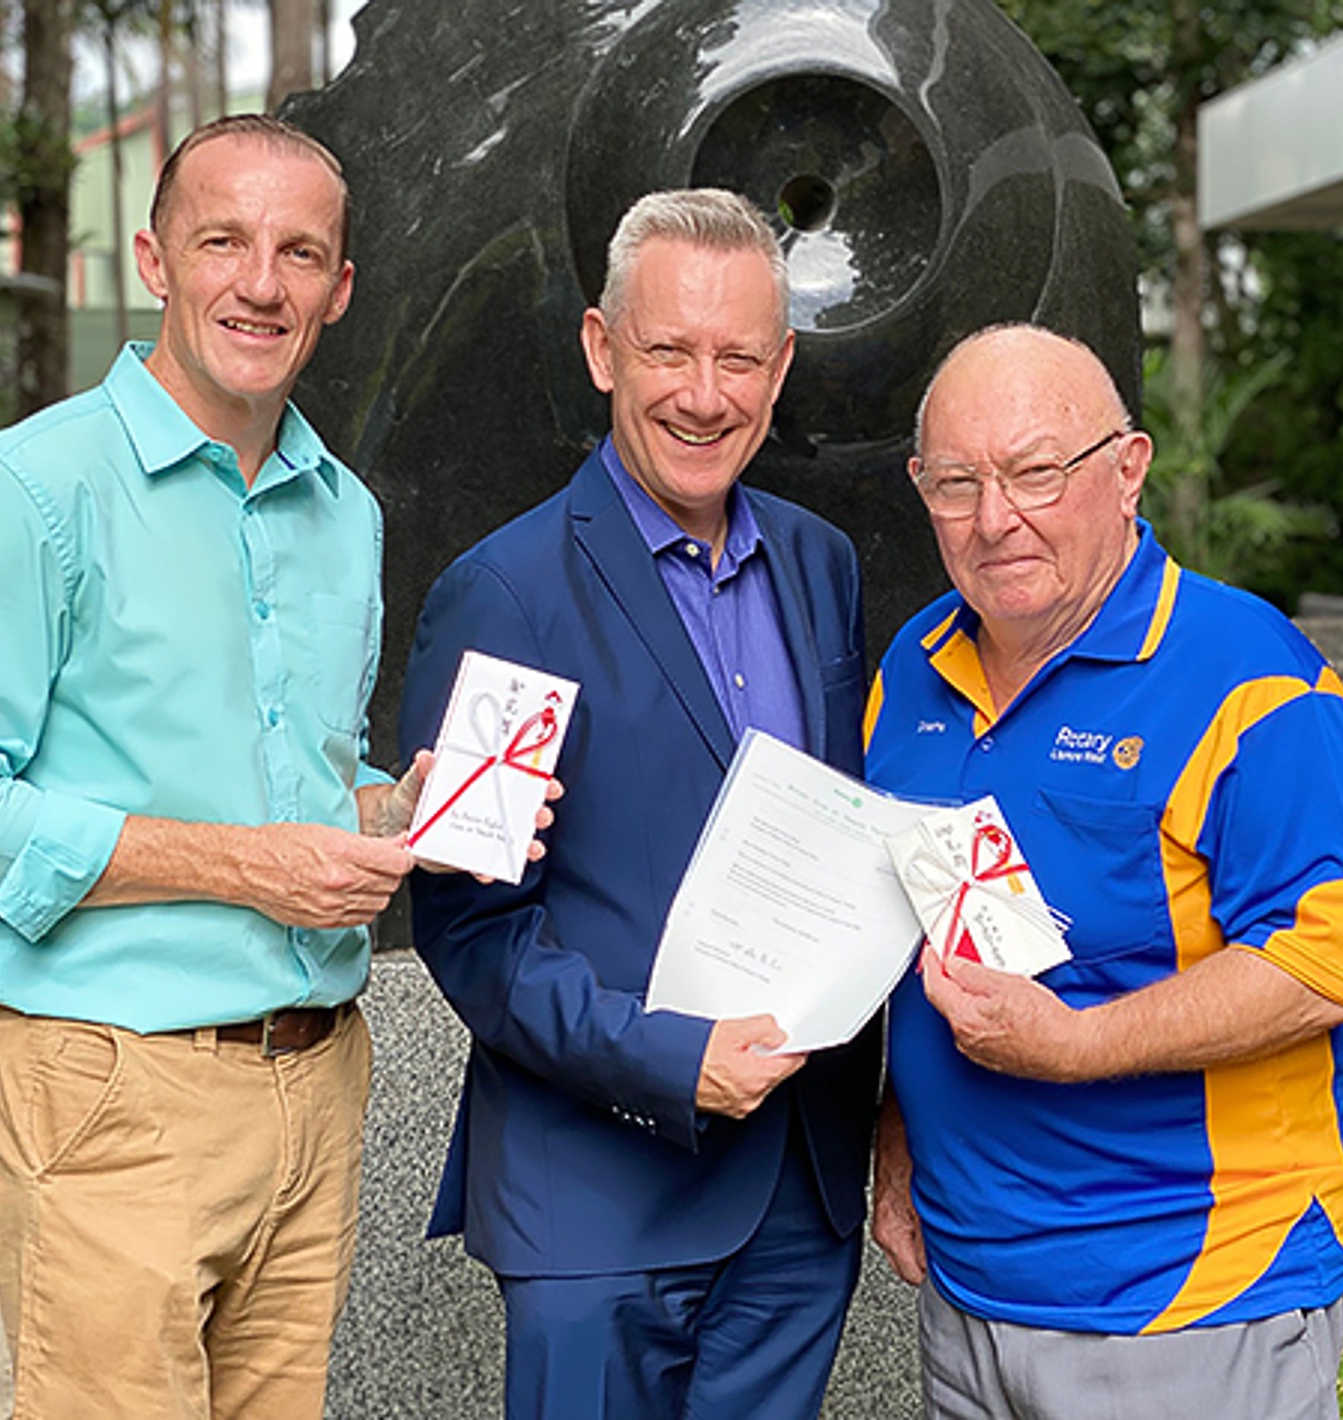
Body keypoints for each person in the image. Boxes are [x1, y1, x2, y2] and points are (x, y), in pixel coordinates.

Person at [0, 115, 441, 1418]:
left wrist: (408, 807)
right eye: (223, 241)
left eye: (301, 253)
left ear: (340, 290)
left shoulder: (344, 514)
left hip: (318, 1086)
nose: (261, 282)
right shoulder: (30, 491)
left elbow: (299, 785)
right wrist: (247, 869)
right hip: (110, 1083)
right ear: (155, 259)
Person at [399, 188, 874, 1420]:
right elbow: (474, 933)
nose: (702, 394)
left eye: (736, 358)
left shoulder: (822, 565)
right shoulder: (501, 592)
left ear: (780, 371)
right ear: (603, 350)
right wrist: (672, 1060)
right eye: (668, 350)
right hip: (597, 1205)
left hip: (793, 1199)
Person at [864, 323, 1343, 1418]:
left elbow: (1329, 962)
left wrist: (1078, 1044)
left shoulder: (1251, 677)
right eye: (956, 482)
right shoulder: (908, 670)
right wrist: (900, 1132)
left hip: (1192, 1299)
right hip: (968, 1290)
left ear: (1128, 466)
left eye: (1035, 472)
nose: (995, 517)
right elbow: (920, 925)